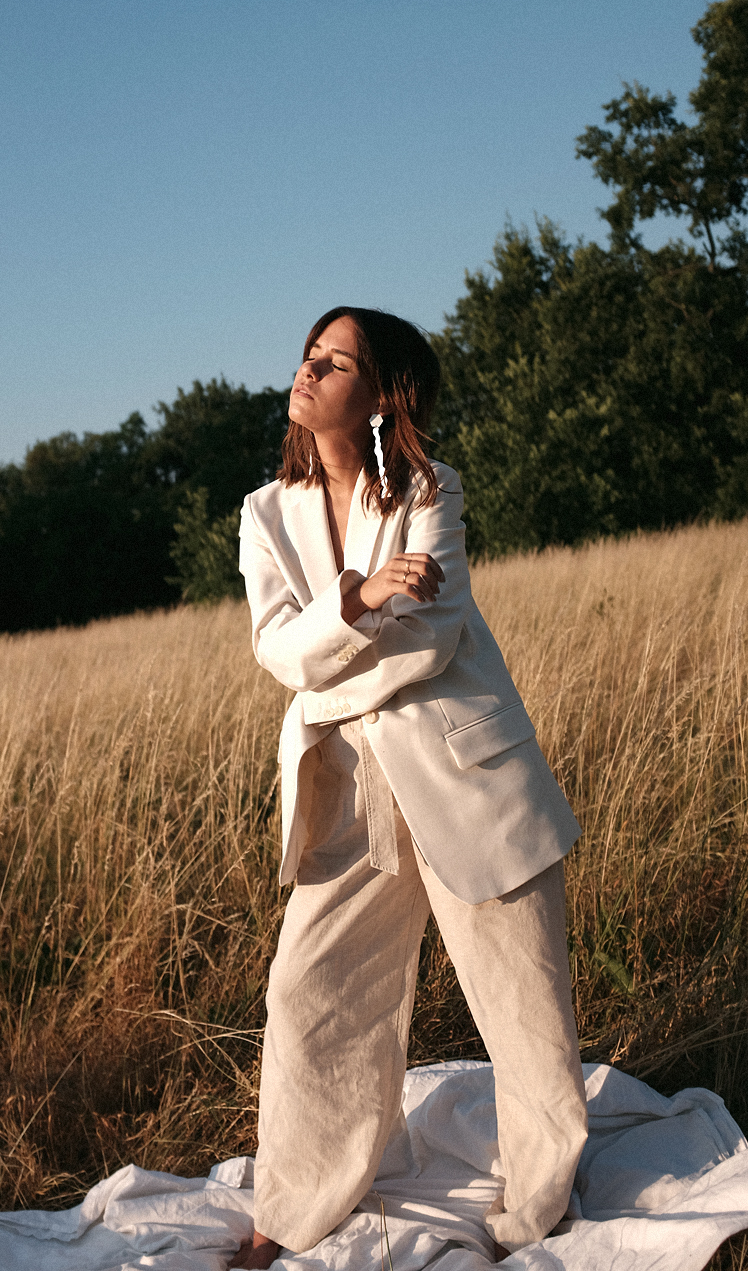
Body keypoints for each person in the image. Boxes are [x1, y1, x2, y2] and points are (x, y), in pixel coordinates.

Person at [233, 307, 588, 1267]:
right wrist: (360, 597)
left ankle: (540, 1205)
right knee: (309, 993)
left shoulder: (433, 491)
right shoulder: (265, 515)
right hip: (347, 791)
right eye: (307, 355)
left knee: (523, 1004)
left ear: (383, 393)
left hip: (465, 777)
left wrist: (335, 649)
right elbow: (278, 654)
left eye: (332, 361)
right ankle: (290, 1209)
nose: (307, 372)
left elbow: (431, 642)